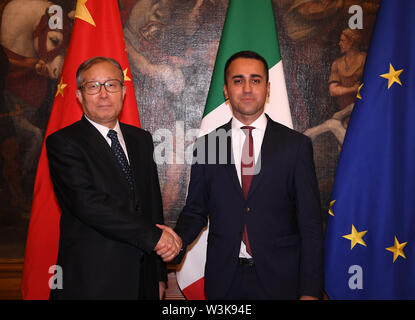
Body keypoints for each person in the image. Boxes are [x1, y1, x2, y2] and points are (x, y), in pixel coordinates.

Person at [173, 51, 324, 300]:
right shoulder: (207, 146)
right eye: (238, 80)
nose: (246, 88)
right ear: (225, 90)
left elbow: (310, 224)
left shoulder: (295, 146)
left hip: (282, 281)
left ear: (267, 89)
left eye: (255, 80)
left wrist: (310, 291)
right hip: (224, 282)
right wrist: (175, 242)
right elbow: (195, 210)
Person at [46, 56, 181, 300]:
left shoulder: (141, 139)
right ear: (79, 95)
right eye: (93, 86)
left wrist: (159, 275)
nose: (104, 94)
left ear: (123, 91)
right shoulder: (64, 143)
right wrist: (155, 238)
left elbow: (152, 206)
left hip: (143, 279)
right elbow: (88, 204)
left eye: (111, 84)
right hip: (93, 280)